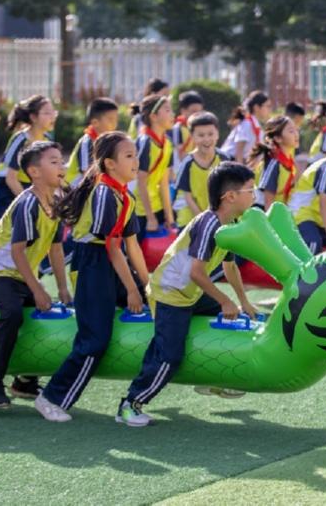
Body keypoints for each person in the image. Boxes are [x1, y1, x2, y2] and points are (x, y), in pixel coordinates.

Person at [116, 162, 258, 426]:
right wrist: (225, 300)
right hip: (170, 293)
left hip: (191, 293)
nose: (255, 195)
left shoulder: (231, 223)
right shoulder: (209, 224)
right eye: (250, 190)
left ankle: (213, 379)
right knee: (169, 355)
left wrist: (243, 302)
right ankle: (130, 404)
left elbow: (230, 266)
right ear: (230, 196)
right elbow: (196, 272)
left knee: (231, 320)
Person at [35, 132, 150, 422]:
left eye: (136, 154)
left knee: (160, 301)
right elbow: (112, 247)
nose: (136, 160)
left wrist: (148, 285)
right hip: (91, 265)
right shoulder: (103, 194)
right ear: (110, 164)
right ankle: (51, 397)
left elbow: (132, 246)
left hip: (110, 262)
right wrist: (132, 290)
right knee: (95, 339)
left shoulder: (125, 194)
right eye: (128, 156)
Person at [0, 141, 71, 408]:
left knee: (42, 316)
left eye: (61, 161)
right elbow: (17, 252)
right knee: (12, 314)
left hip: (21, 274)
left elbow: (55, 248)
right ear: (34, 172)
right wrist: (38, 289)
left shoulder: (55, 202)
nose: (62, 166)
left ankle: (25, 381)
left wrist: (62, 288)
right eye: (53, 162)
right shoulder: (28, 204)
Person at [0, 95, 57, 218]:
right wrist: (29, 202)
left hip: (28, 185)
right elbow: (10, 178)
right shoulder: (21, 139)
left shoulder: (48, 140)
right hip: (7, 187)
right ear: (33, 117)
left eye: (53, 112)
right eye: (47, 113)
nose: (52, 116)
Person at [173, 112, 231, 227]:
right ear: (192, 137)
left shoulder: (224, 159)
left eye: (210, 134)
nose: (206, 139)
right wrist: (202, 219)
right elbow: (187, 196)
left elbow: (229, 190)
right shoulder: (187, 163)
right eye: (201, 135)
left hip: (217, 216)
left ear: (217, 134)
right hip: (191, 218)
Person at [131, 93, 176, 240]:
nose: (173, 114)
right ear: (154, 116)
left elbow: (164, 182)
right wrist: (150, 217)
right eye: (167, 110)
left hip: (156, 206)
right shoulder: (145, 142)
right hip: (139, 210)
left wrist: (169, 215)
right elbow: (140, 182)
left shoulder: (168, 143)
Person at [65, 98, 120, 187]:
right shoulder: (87, 142)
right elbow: (88, 173)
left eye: (116, 119)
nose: (115, 123)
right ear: (95, 123)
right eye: (110, 119)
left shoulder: (107, 141)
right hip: (75, 187)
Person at [251, 116, 300, 210]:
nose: (296, 134)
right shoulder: (274, 163)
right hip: (261, 212)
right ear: (278, 138)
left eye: (296, 130)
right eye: (291, 131)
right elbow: (268, 201)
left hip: (277, 211)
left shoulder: (288, 162)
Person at [220, 91, 273, 164]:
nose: (270, 109)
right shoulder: (246, 124)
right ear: (256, 107)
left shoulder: (255, 124)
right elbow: (239, 151)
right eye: (267, 106)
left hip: (239, 162)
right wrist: (240, 169)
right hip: (229, 161)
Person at [169, 90, 204, 172]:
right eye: (194, 111)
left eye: (200, 111)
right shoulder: (177, 129)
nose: (197, 114)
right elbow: (179, 154)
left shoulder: (202, 128)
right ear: (183, 111)